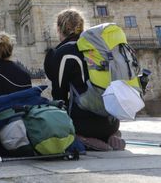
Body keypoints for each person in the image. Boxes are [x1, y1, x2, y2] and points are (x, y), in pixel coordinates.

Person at [44, 9, 124, 150]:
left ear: (58, 29)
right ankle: (112, 134)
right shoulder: (99, 48)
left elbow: (59, 96)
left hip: (84, 124)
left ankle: (83, 138)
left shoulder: (63, 52)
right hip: (112, 120)